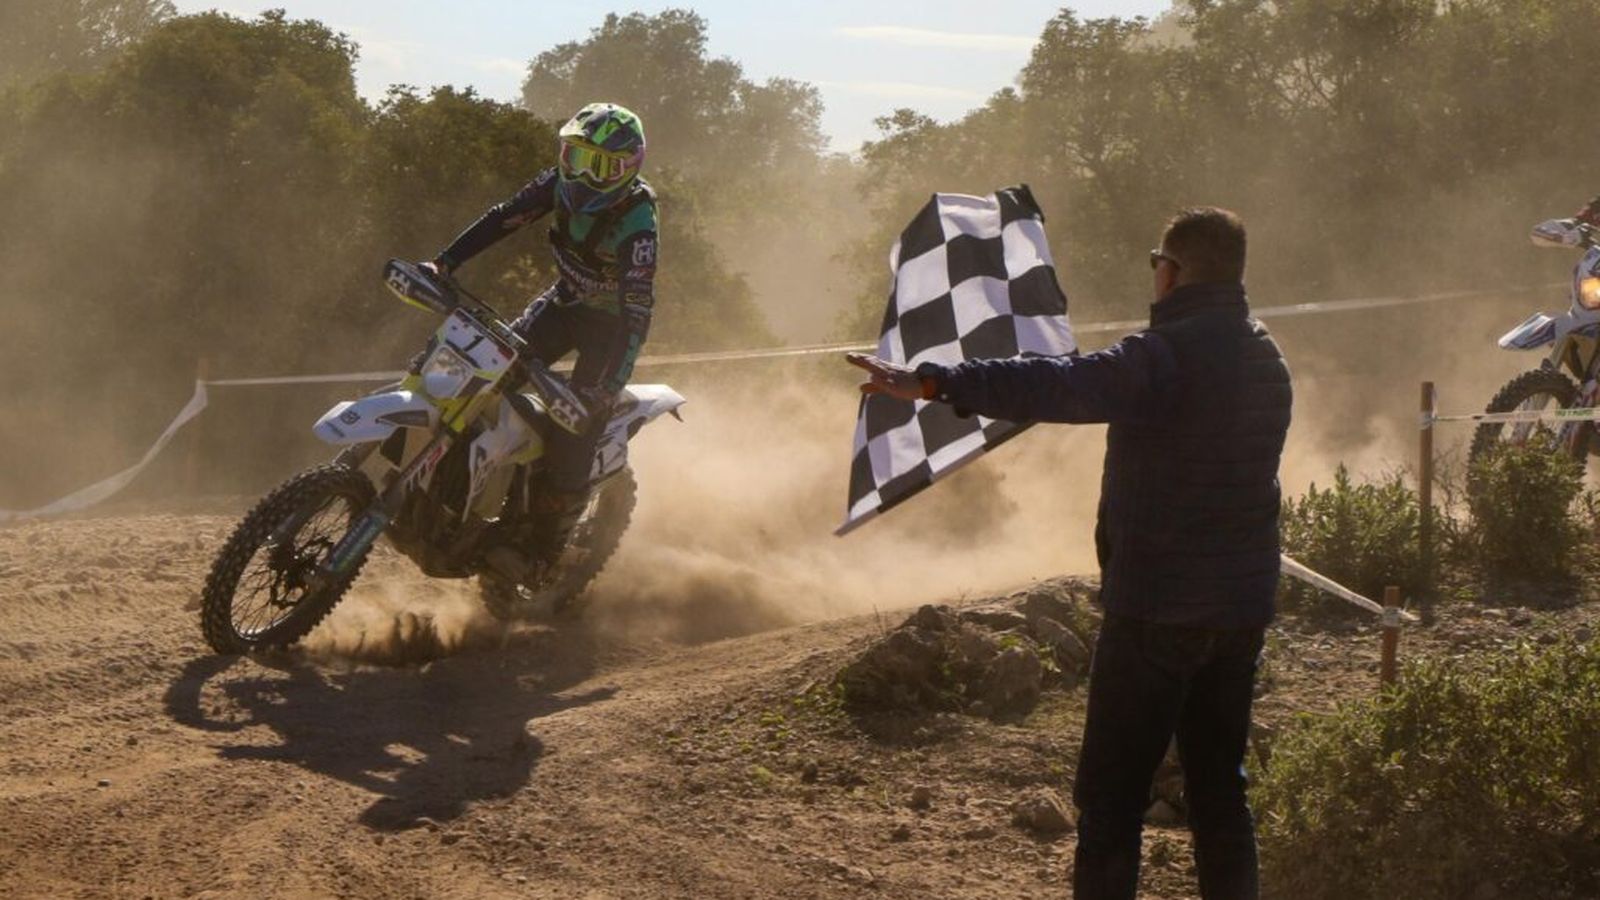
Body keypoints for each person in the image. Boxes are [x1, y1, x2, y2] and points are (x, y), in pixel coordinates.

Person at [848, 207, 1291, 900]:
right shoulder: (1268, 357)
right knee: (1219, 797)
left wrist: (935, 382)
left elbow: (1056, 382)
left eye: (1157, 266)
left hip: (1153, 610)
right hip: (1238, 614)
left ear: (1170, 273)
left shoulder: (1162, 356)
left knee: (1111, 803)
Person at [421, 102, 656, 562]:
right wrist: (444, 262)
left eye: (597, 165)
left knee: (578, 421)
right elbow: (504, 217)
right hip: (564, 303)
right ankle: (456, 489)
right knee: (485, 373)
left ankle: (543, 548)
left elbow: (638, 312)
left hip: (608, 331)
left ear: (626, 169)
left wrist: (609, 386)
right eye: (574, 156)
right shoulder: (558, 182)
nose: (581, 174)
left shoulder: (638, 223)